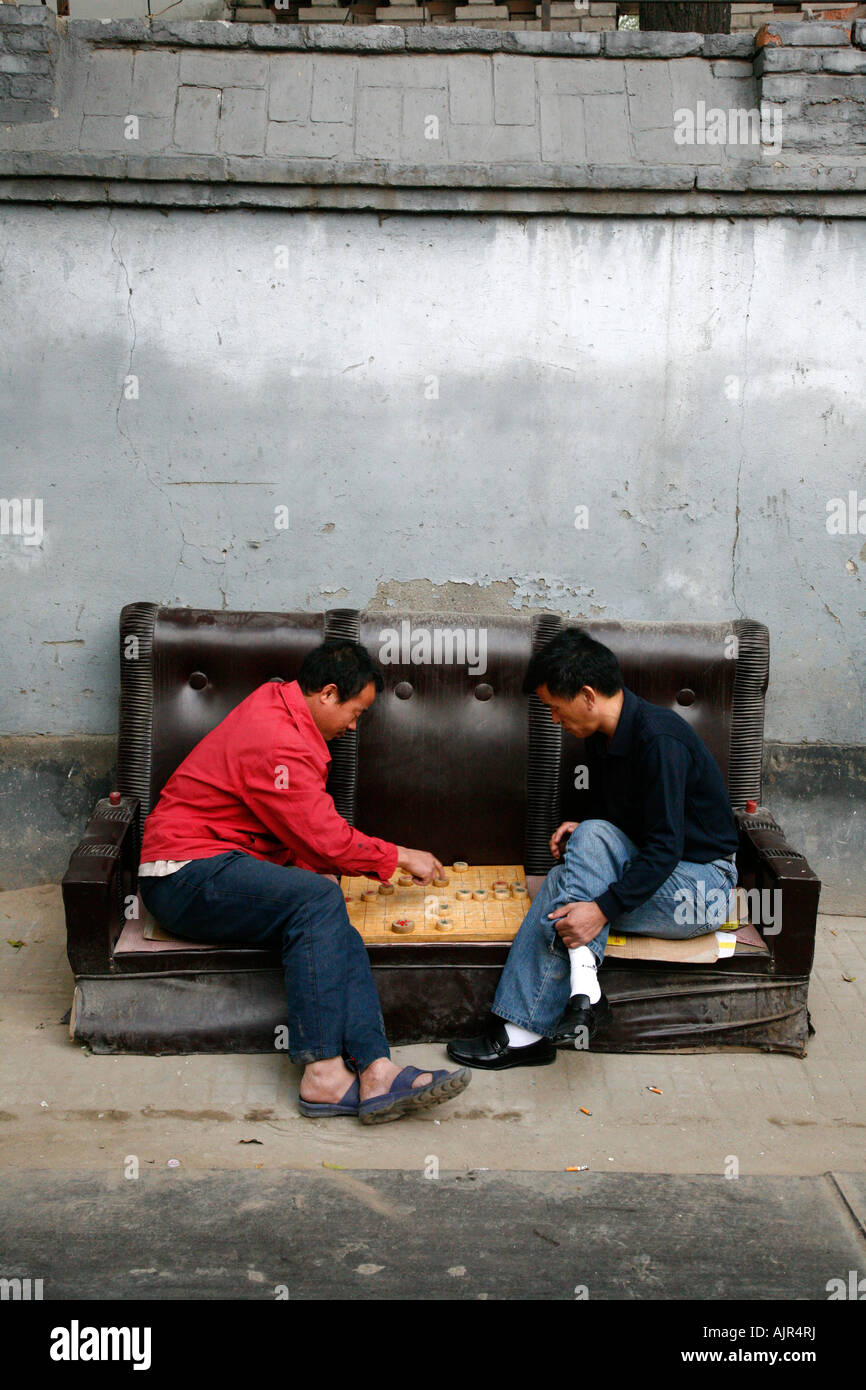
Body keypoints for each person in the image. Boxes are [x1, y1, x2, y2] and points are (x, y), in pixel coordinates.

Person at [138, 639, 470, 1124]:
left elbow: (287, 828)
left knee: (330, 914)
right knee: (317, 897)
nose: (354, 726)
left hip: (218, 864)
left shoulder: (281, 704)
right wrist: (399, 856)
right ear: (328, 694)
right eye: (355, 712)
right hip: (181, 875)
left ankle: (376, 1068)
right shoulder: (280, 740)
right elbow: (324, 840)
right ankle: (324, 1076)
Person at [447, 628, 739, 1070]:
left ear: (587, 696)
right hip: (661, 873)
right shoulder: (603, 737)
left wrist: (601, 908)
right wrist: (585, 832)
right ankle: (581, 994)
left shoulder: (661, 740)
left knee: (570, 880)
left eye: (554, 707)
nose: (552, 719)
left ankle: (529, 1028)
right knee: (583, 852)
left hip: (700, 889)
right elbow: (631, 825)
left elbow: (664, 847)